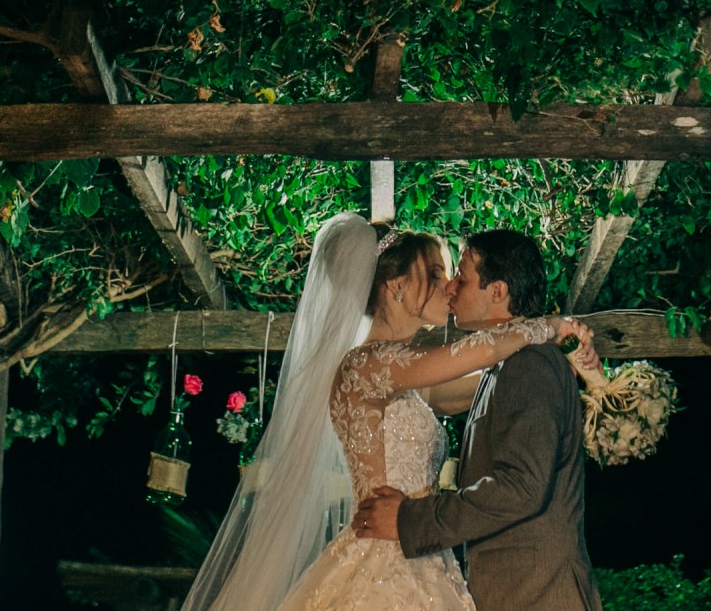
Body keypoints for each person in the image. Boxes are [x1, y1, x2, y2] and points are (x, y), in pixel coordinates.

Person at [180, 213, 592, 611]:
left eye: (453, 276)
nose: (448, 287)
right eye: (433, 275)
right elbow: (480, 352)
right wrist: (551, 328)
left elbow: (493, 380)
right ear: (396, 286)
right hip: (387, 555)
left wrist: (570, 363)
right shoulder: (367, 365)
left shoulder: (411, 375)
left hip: (423, 549)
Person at [352, 229, 604, 611]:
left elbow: (520, 486)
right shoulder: (506, 364)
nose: (450, 289)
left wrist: (411, 519)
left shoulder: (530, 364)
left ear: (498, 291)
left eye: (461, 278)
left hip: (538, 595)